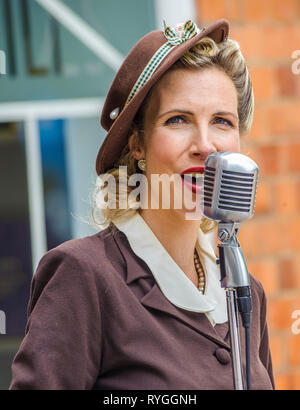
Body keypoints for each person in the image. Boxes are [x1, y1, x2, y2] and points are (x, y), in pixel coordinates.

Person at [10, 19, 275, 390]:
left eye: (221, 121)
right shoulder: (84, 276)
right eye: (178, 120)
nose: (205, 145)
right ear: (137, 146)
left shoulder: (244, 290)